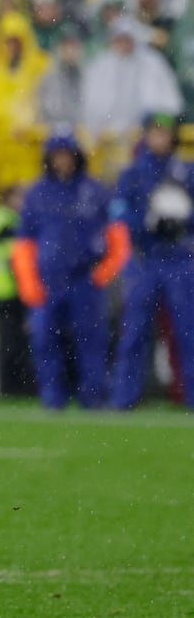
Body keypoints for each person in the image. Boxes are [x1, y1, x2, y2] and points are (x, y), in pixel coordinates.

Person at [12, 131, 118, 409]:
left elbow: (117, 237)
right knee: (45, 340)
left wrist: (103, 272)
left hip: (85, 279)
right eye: (57, 155)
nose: (62, 161)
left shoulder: (94, 191)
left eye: (66, 154)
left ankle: (93, 396)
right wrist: (29, 282)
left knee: (92, 341)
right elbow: (24, 243)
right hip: (49, 279)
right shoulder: (37, 194)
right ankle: (52, 397)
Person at [108, 114, 194, 409]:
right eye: (155, 132)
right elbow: (119, 213)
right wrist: (147, 223)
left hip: (180, 259)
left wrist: (180, 222)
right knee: (134, 331)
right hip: (146, 258)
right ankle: (125, 398)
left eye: (165, 132)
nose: (161, 138)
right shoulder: (133, 173)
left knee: (188, 331)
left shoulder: (185, 171)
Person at [0, 184, 35, 397]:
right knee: (10, 341)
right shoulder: (4, 218)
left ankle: (14, 385)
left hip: (9, 289)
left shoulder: (5, 217)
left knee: (13, 340)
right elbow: (13, 250)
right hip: (4, 289)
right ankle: (10, 386)